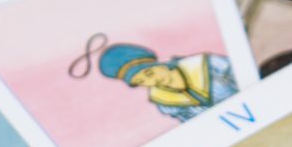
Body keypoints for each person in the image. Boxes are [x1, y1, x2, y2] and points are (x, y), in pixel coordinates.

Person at [97, 41, 236, 122]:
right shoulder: (164, 103)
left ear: (157, 64)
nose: (151, 82)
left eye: (149, 73)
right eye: (140, 81)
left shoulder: (209, 63)